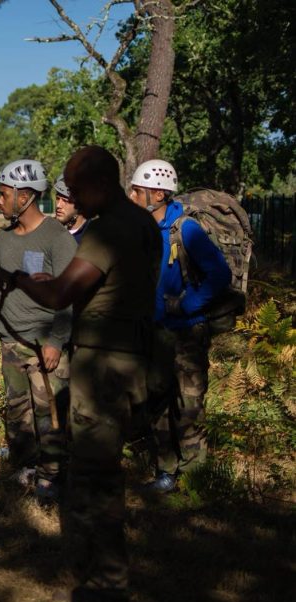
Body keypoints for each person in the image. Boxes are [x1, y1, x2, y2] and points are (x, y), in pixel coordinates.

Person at [0, 146, 161, 602]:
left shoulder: (108, 230)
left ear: (98, 183)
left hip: (103, 366)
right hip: (130, 357)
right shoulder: (144, 223)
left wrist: (22, 280)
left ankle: (106, 583)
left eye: (76, 186)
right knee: (98, 468)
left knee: (95, 475)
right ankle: (98, 572)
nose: (71, 197)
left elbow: (61, 294)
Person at [128, 159, 231, 493]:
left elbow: (220, 275)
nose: (131, 195)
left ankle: (195, 478)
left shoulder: (185, 229)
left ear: (157, 193)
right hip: (155, 332)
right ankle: (166, 472)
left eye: (137, 190)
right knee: (156, 400)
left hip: (188, 333)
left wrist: (188, 304)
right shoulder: (143, 229)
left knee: (189, 405)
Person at [0, 159, 75, 502]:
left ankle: (51, 476)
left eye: (3, 194)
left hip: (43, 343)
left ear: (26, 196)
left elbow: (67, 295)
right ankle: (26, 465)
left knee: (49, 412)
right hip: (10, 343)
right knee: (17, 411)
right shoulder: (4, 239)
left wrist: (57, 341)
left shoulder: (57, 238)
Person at [53, 173, 88, 243]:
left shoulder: (93, 238)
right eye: (57, 198)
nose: (58, 205)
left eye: (65, 201)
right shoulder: (48, 231)